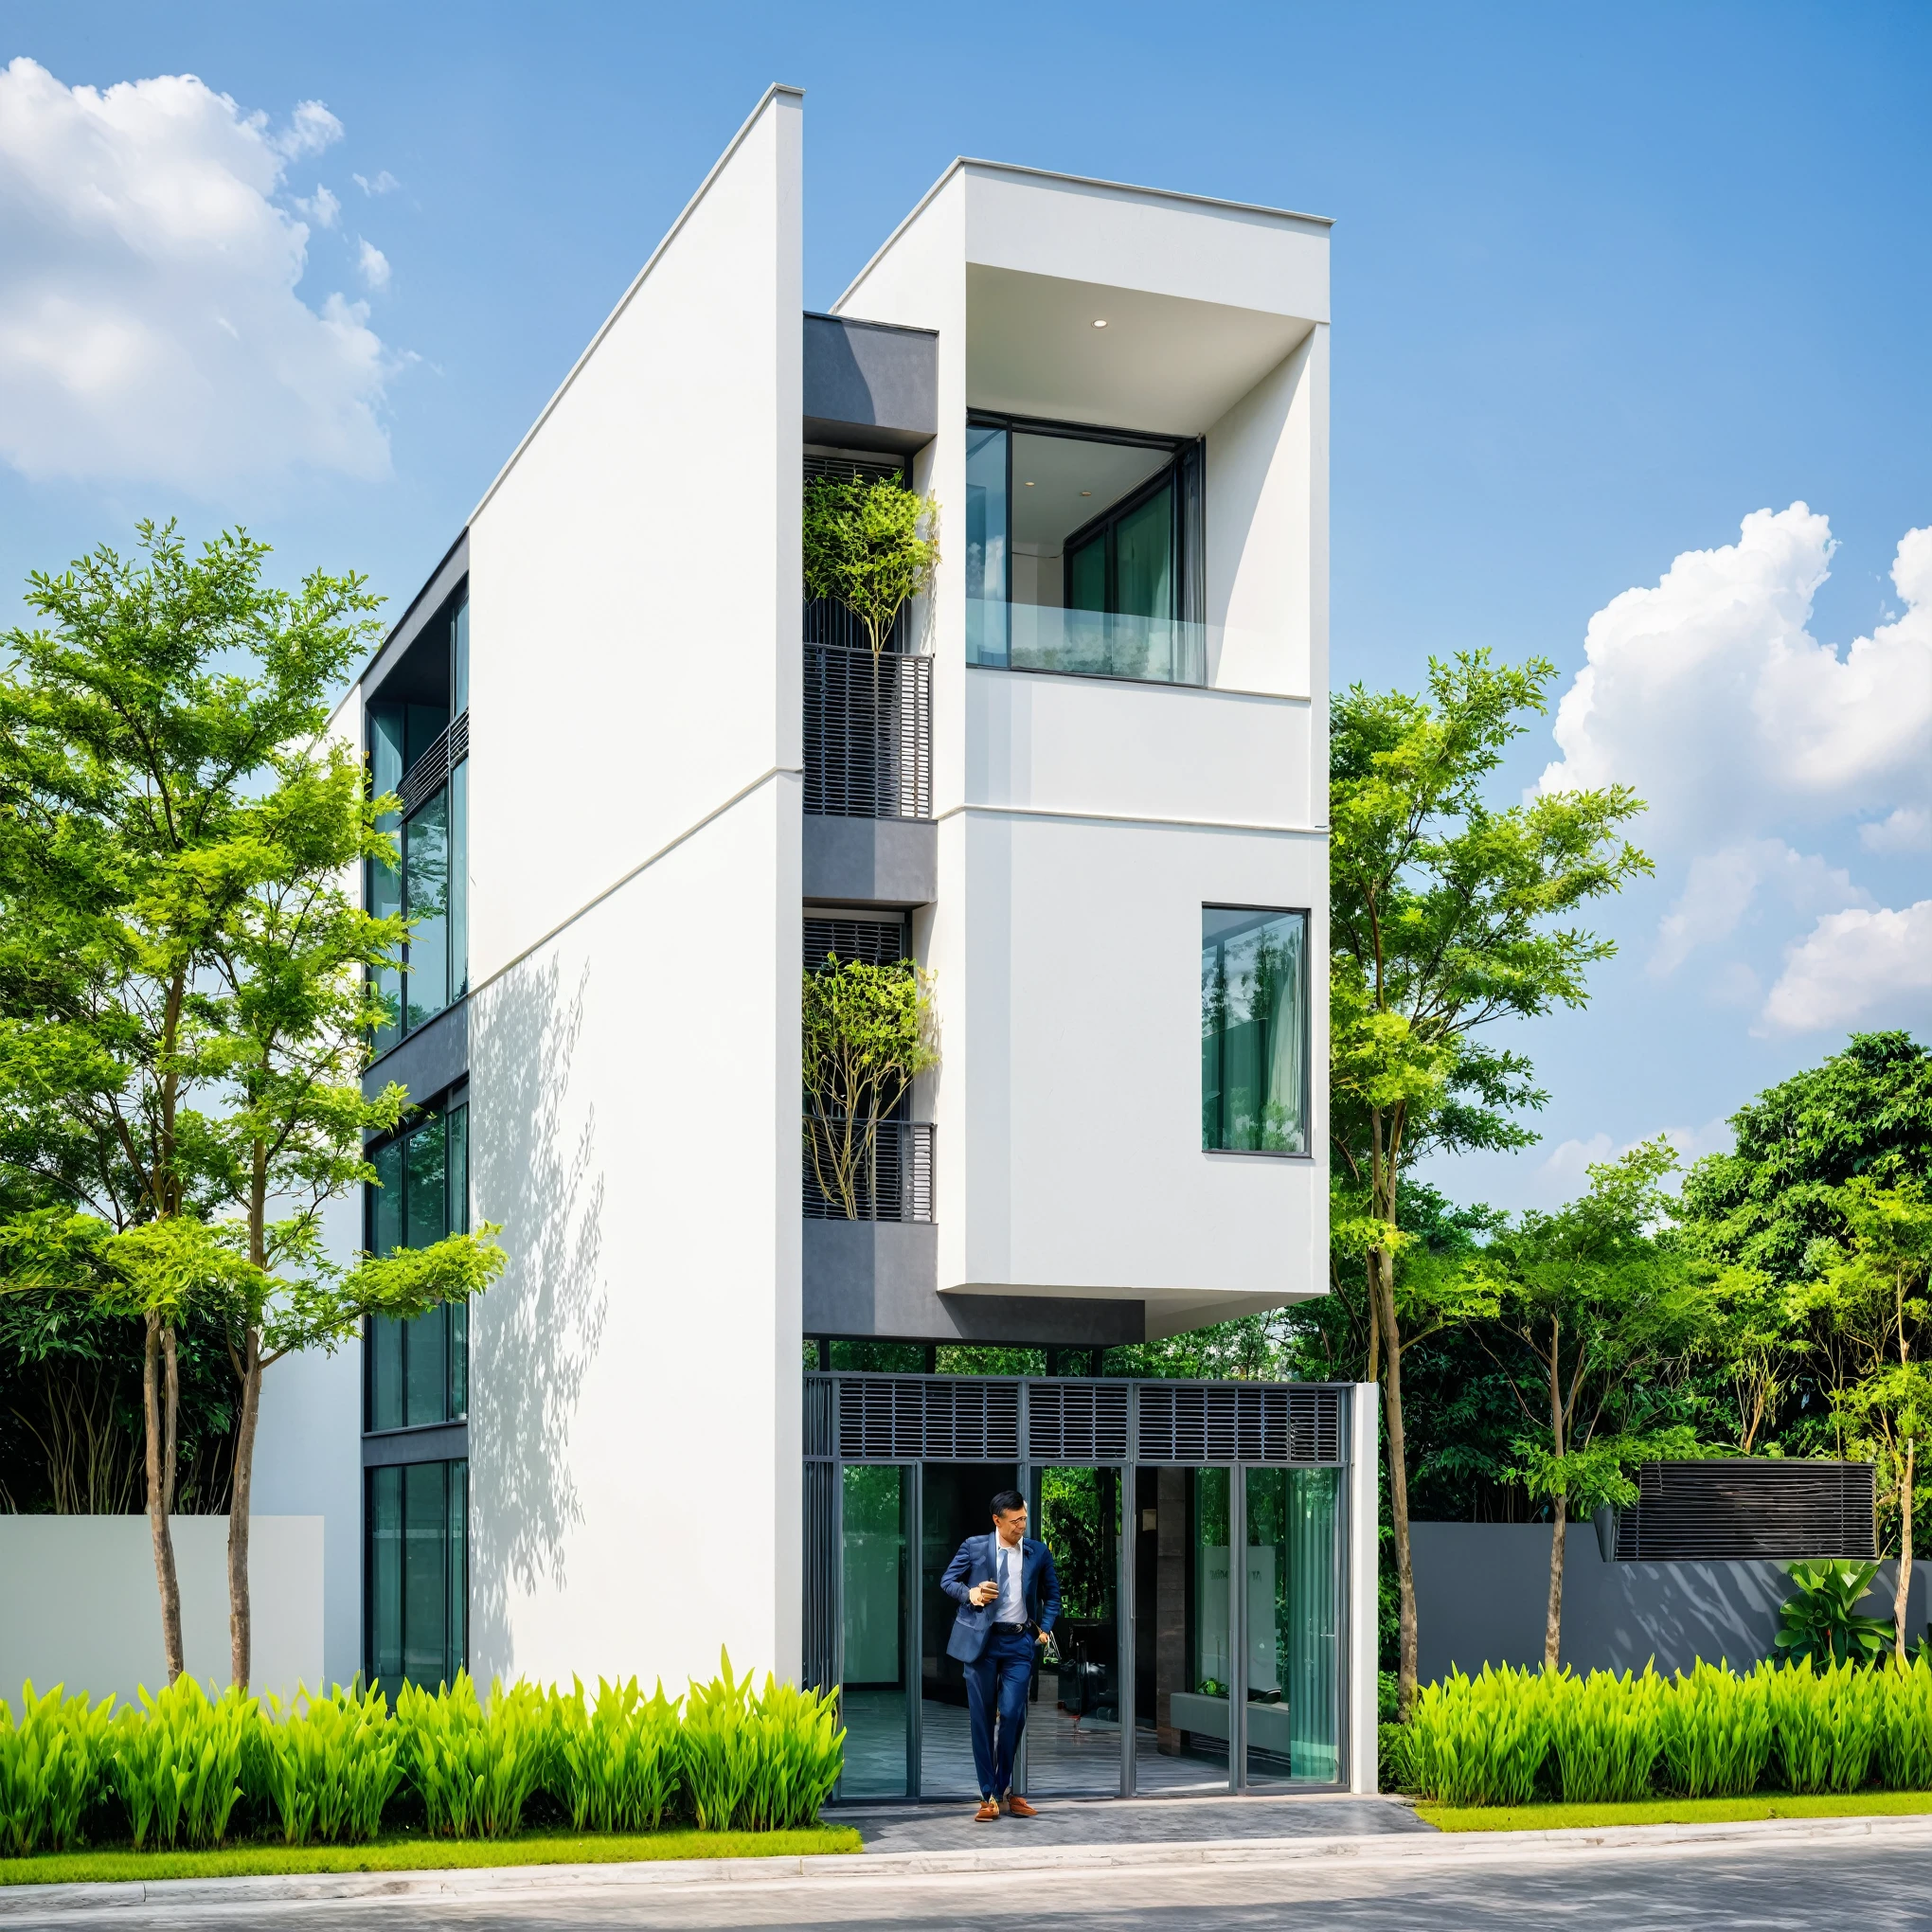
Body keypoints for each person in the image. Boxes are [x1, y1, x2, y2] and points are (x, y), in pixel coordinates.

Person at [939, 1488, 1061, 1821]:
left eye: (1025, 1517)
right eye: (1016, 1520)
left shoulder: (1038, 1551)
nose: (1023, 1524)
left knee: (1012, 1715)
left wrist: (1045, 1628)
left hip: (1020, 1644)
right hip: (981, 1643)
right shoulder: (975, 1547)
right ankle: (987, 1796)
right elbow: (947, 1581)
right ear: (997, 1520)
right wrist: (972, 1593)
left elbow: (1053, 1596)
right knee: (981, 1719)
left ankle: (999, 1788)